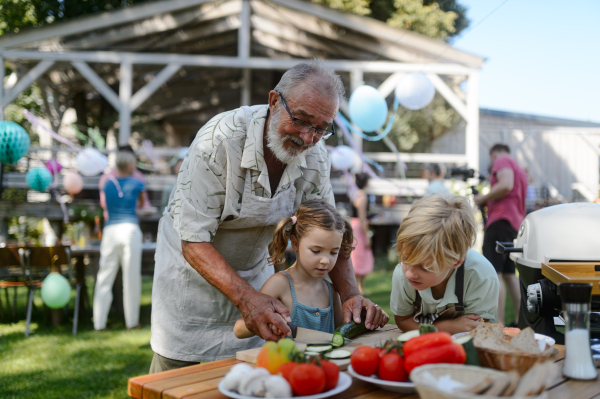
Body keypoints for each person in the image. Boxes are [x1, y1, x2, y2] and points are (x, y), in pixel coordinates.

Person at [150, 59, 386, 373]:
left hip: (258, 283)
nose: (307, 137)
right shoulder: (219, 140)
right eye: (301, 120)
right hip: (190, 286)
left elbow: (333, 230)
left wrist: (351, 295)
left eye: (320, 128)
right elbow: (192, 240)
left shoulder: (316, 158)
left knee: (255, 378)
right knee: (182, 381)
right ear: (274, 101)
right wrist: (245, 297)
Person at [234, 200, 388, 338]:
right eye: (316, 251)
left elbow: (343, 334)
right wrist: (270, 322)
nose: (325, 260)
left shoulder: (331, 291)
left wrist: (370, 318)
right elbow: (239, 329)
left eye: (334, 252)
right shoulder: (279, 284)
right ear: (295, 243)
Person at [391, 195, 500, 334]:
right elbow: (403, 320)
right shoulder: (402, 275)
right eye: (406, 259)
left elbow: (476, 329)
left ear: (457, 261)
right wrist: (449, 327)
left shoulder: (480, 277)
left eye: (425, 267)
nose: (409, 273)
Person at [474, 144, 527, 327]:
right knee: (509, 274)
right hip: (514, 223)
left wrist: (482, 198)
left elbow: (505, 185)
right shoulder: (519, 168)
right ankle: (522, 323)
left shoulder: (501, 160)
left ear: (494, 154)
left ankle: (499, 324)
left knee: (494, 272)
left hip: (500, 221)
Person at [93, 151, 145, 330]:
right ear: (129, 165)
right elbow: (142, 206)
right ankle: (132, 322)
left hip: (110, 231)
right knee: (130, 278)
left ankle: (99, 323)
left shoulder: (107, 184)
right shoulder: (138, 183)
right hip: (129, 230)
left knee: (104, 278)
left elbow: (107, 206)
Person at [99, 144, 151, 221]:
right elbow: (143, 203)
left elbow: (104, 203)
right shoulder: (137, 180)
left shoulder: (107, 179)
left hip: (111, 223)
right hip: (130, 222)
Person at [350, 173, 374, 295]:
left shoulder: (354, 195)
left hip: (354, 224)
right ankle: (360, 286)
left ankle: (358, 286)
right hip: (359, 227)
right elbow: (362, 217)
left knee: (356, 254)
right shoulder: (363, 197)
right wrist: (367, 234)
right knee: (361, 254)